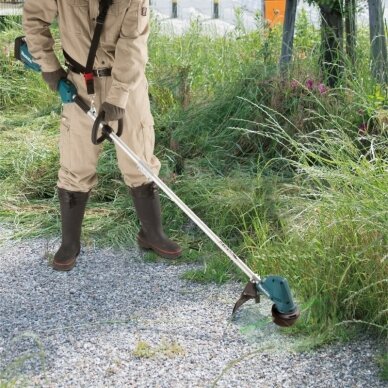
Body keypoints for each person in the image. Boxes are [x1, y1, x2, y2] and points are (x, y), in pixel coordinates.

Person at [22, 0, 182, 271]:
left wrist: (118, 96)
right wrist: (50, 68)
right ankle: (70, 242)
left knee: (139, 160)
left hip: (127, 85)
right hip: (80, 83)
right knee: (75, 164)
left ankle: (152, 233)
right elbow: (35, 20)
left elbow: (133, 43)